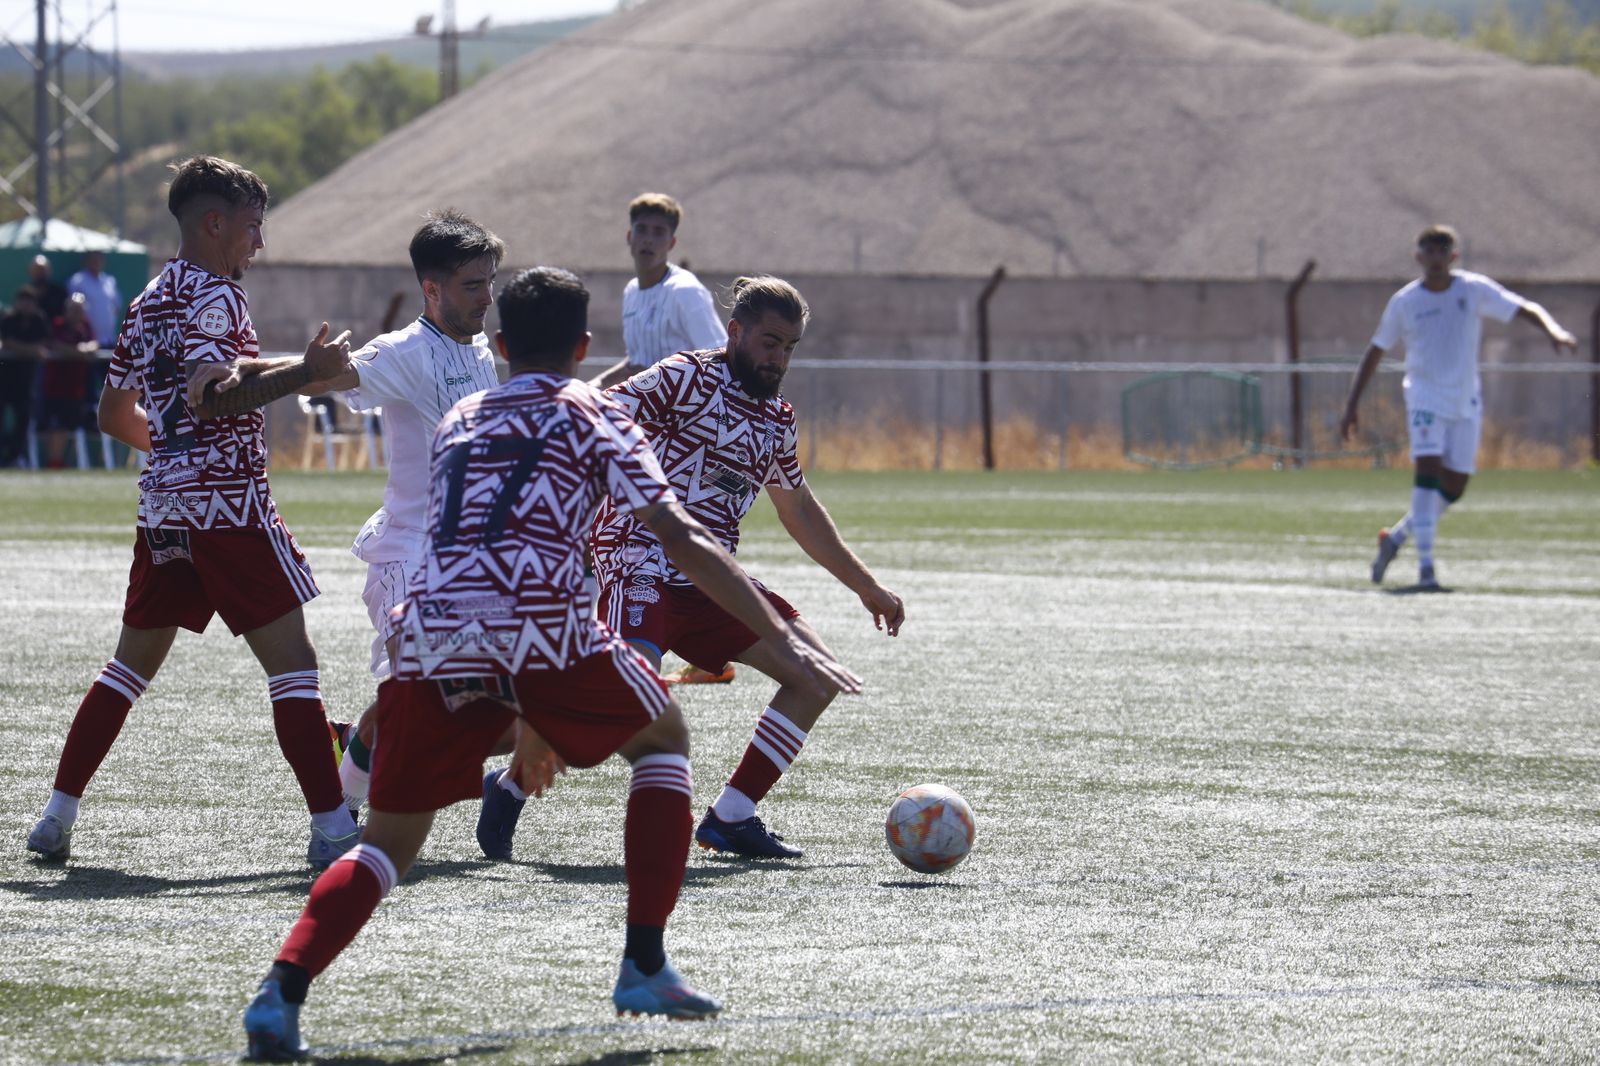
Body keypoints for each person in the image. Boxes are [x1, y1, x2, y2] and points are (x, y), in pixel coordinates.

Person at [241, 267, 860, 1058]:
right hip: (545, 626)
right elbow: (682, 540)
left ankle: (279, 992)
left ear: (499, 346)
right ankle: (644, 961)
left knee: (387, 846)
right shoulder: (596, 414)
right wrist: (772, 622)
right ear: (584, 347)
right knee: (663, 740)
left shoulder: (463, 414)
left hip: (430, 632)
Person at [480, 275, 903, 862]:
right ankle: (510, 783)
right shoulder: (687, 376)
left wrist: (867, 586)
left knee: (817, 674)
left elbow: (798, 508)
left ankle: (732, 817)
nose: (778, 357)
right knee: (622, 708)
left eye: (789, 346)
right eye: (769, 342)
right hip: (639, 559)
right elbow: (599, 413)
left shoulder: (777, 419)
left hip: (708, 579)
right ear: (735, 332)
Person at [24, 155, 360, 868]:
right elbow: (213, 394)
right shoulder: (218, 298)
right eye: (251, 227)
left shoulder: (145, 302)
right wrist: (306, 373)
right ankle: (334, 827)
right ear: (215, 224)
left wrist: (172, 450)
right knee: (294, 666)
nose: (258, 243)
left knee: (126, 670)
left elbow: (114, 414)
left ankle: (56, 815)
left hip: (165, 508)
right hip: (228, 507)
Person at [301, 210, 506, 812]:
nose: (487, 296)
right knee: (417, 700)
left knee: (461, 708)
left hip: (465, 560)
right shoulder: (405, 350)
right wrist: (310, 371)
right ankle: (342, 817)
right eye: (473, 285)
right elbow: (333, 380)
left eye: (490, 281)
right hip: (408, 554)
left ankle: (357, 751)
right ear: (432, 289)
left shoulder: (478, 353)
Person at [1340, 225, 1578, 589]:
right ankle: (1427, 570)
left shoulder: (1472, 290)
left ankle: (1396, 538)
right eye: (1428, 252)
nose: (1435, 259)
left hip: (1465, 400)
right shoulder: (1405, 302)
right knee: (1429, 472)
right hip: (1424, 398)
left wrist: (1554, 330)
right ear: (1418, 257)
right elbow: (1376, 350)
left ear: (1453, 256)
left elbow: (1523, 308)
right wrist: (1352, 404)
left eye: (1442, 251)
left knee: (1455, 485)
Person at [593, 193, 737, 686]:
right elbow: (638, 361)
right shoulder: (634, 291)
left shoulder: (686, 293)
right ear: (628, 236)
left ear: (672, 242)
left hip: (690, 443)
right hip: (644, 439)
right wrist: (593, 392)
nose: (650, 239)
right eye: (643, 230)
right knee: (643, 538)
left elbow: (722, 359)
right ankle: (681, 650)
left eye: (660, 232)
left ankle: (704, 655)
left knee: (689, 542)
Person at [38, 293, 101, 468]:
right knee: (55, 426)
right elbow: (56, 345)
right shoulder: (58, 325)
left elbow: (94, 345)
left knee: (69, 425)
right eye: (73, 310)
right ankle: (53, 461)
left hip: (76, 387)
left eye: (79, 310)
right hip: (56, 386)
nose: (76, 314)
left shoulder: (85, 326)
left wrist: (82, 350)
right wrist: (80, 352)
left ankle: (60, 461)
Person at [0, 287, 49, 467]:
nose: (26, 305)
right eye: (23, 301)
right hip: (5, 379)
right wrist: (30, 350)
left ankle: (14, 457)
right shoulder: (8, 319)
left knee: (23, 419)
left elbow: (43, 344)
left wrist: (22, 349)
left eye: (29, 301)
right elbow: (7, 342)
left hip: (26, 380)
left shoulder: (39, 320)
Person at [68, 250, 125, 347]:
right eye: (93, 260)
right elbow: (73, 308)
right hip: (87, 343)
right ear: (86, 261)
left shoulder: (109, 281)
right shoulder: (77, 281)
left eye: (99, 260)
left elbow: (117, 306)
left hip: (108, 340)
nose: (96, 263)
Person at [27, 254, 68, 320]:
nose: (40, 273)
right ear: (31, 272)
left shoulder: (59, 292)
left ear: (49, 271)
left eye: (42, 270)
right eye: (37, 270)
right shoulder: (26, 294)